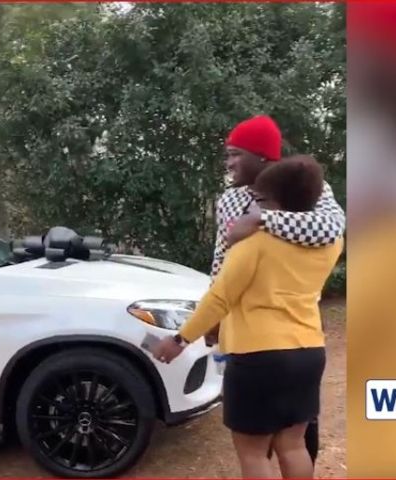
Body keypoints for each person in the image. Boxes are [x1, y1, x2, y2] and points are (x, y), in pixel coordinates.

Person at [153, 155, 343, 478]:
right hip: (309, 353)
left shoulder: (254, 242)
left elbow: (220, 297)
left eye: (261, 200)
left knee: (254, 453)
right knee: (293, 445)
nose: (254, 208)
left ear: (278, 202)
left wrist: (179, 339)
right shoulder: (331, 244)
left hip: (258, 357)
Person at [207, 115, 346, 464]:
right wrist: (214, 317)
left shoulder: (309, 187)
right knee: (262, 435)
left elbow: (330, 227)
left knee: (296, 433)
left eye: (235, 154)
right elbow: (221, 259)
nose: (229, 163)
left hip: (296, 323)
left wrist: (261, 219)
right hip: (246, 330)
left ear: (262, 156)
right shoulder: (229, 200)